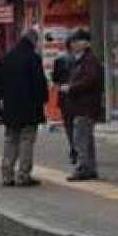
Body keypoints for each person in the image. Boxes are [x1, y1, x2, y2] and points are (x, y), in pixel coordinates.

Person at [0, 28, 49, 187]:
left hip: (11, 108)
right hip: (29, 109)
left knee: (10, 140)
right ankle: (23, 175)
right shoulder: (33, 58)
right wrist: (43, 99)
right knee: (26, 140)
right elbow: (39, 84)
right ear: (33, 41)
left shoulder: (7, 57)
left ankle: (7, 175)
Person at [62, 29, 104, 181]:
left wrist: (71, 87)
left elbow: (90, 80)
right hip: (82, 105)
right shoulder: (80, 60)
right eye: (72, 41)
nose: (73, 44)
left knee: (81, 138)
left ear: (85, 43)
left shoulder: (89, 60)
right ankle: (90, 167)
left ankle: (83, 167)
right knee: (86, 138)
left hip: (85, 105)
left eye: (76, 41)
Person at [51, 38, 78, 167]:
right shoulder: (80, 60)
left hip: (64, 96)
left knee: (69, 124)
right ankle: (80, 149)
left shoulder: (59, 60)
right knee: (79, 124)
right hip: (79, 97)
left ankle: (73, 147)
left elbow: (55, 79)